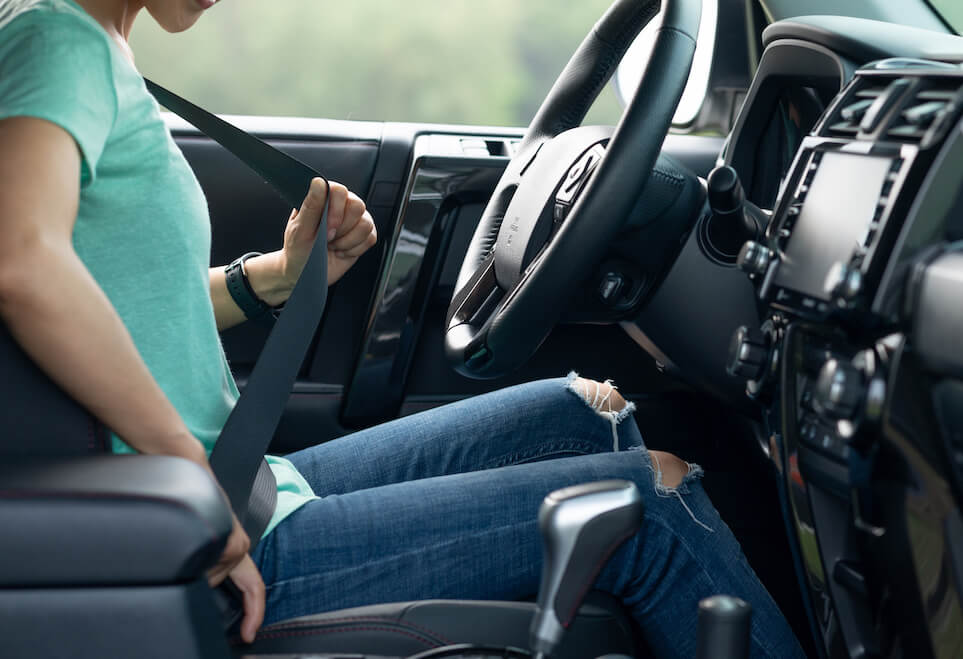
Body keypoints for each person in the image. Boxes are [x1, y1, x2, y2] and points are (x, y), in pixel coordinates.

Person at [0, 1, 805, 657]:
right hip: (193, 513)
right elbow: (23, 262)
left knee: (583, 412)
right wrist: (193, 484)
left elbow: (120, 286)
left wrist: (274, 276)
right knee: (650, 502)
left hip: (240, 477)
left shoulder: (100, 48)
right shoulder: (57, 39)